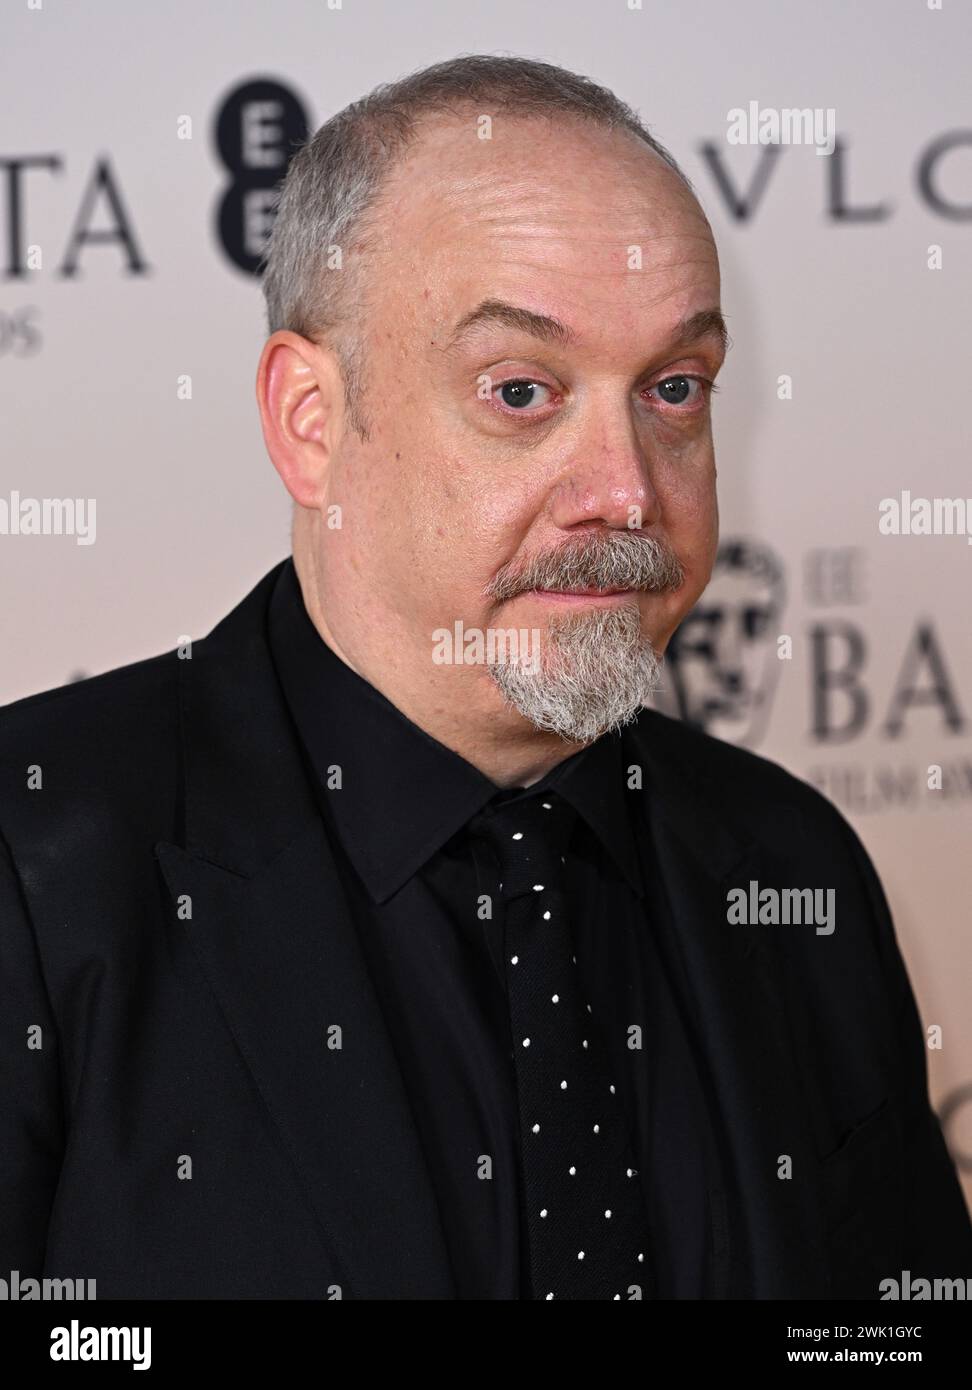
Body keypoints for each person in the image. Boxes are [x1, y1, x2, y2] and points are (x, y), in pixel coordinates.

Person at [1, 54, 968, 1301]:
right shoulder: (36, 872)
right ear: (309, 420)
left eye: (674, 389)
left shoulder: (790, 866)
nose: (627, 491)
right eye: (521, 391)